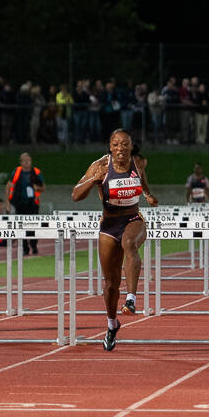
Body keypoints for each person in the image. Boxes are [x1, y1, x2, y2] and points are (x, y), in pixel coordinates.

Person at [72, 129, 158, 351]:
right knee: (110, 284)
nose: (121, 148)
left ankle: (131, 299)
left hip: (133, 218)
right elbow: (75, 195)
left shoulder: (137, 164)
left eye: (125, 144)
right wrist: (93, 180)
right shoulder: (100, 165)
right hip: (109, 225)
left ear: (130, 146)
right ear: (110, 147)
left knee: (129, 244)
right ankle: (112, 324)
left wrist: (147, 195)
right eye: (116, 144)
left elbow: (143, 180)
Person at [7, 153, 45, 255]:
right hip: (19, 202)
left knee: (33, 225)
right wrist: (8, 202)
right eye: (24, 160)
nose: (26, 162)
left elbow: (43, 187)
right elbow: (9, 186)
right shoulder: (16, 172)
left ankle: (34, 245)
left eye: (28, 160)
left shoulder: (36, 172)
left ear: (31, 161)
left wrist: (37, 188)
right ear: (21, 162)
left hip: (33, 203)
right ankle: (24, 248)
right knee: (21, 225)